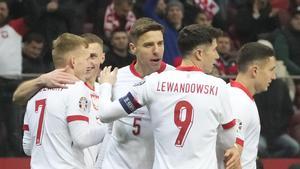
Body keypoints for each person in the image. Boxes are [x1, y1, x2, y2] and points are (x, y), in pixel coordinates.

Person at [98, 24, 237, 169]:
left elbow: (105, 114)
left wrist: (105, 86)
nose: (217, 56)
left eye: (160, 43)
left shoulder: (153, 83)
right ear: (199, 54)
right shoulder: (218, 86)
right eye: (214, 50)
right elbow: (228, 140)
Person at [22, 33, 107, 168]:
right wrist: (110, 127)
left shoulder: (34, 95)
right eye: (85, 59)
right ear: (73, 61)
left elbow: (27, 147)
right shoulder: (78, 89)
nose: (88, 65)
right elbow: (81, 139)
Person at [99, 17, 174, 169]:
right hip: (117, 164)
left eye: (160, 43)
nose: (156, 50)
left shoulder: (175, 78)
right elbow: (109, 128)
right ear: (133, 48)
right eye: (148, 45)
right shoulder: (116, 78)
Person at [217, 42, 277, 169]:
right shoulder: (239, 101)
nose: (274, 76)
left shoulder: (236, 95)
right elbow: (231, 155)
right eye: (271, 70)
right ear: (255, 71)